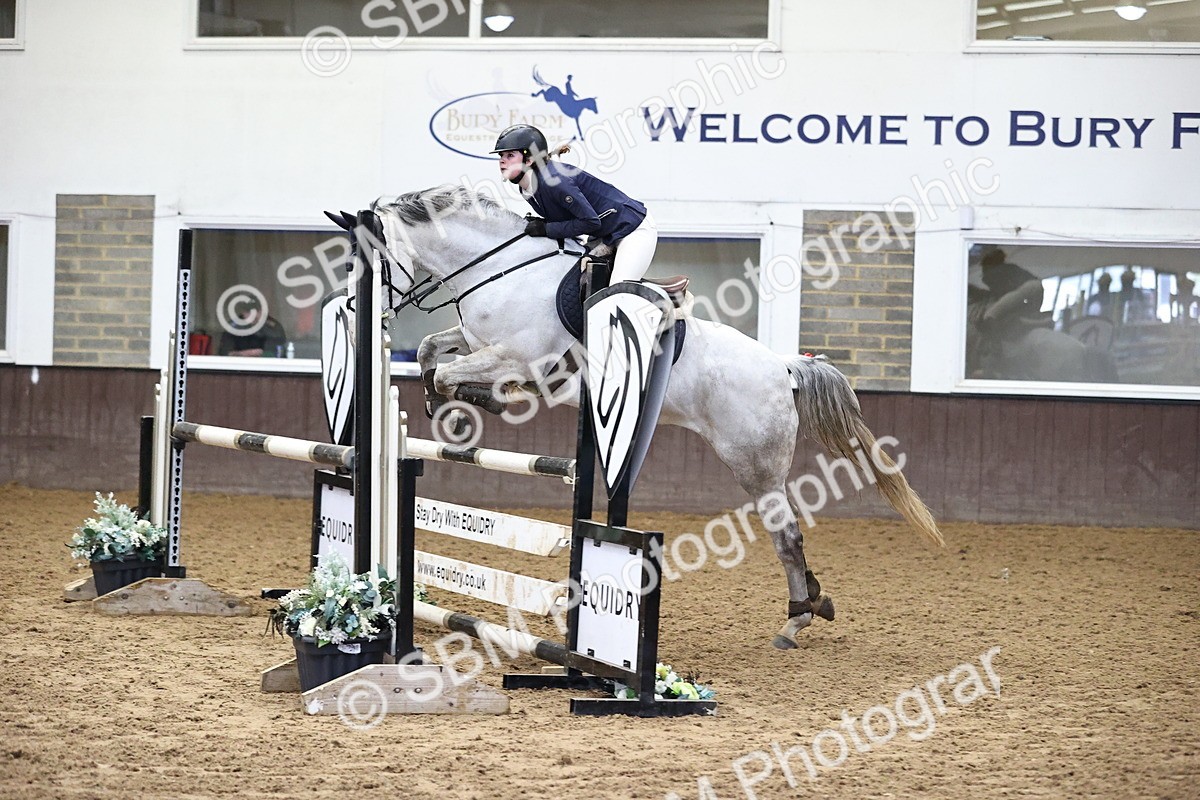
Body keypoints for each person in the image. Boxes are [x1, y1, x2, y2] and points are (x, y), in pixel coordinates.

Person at [492, 124, 679, 291]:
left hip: (631, 229)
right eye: (501, 156)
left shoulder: (555, 182)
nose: (502, 161)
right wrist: (545, 225)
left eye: (510, 155)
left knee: (616, 292)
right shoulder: (526, 188)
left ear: (529, 160)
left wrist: (546, 229)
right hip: (604, 236)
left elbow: (590, 221)